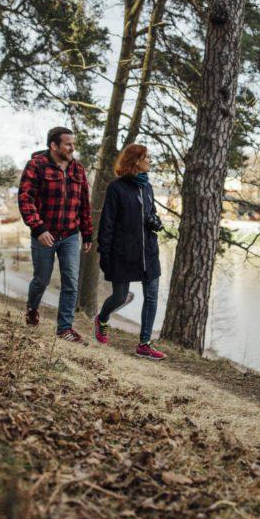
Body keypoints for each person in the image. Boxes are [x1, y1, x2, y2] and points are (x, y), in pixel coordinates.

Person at [18, 126, 93, 341]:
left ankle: (64, 329)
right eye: (68, 144)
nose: (72, 148)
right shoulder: (36, 166)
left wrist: (87, 233)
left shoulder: (78, 169)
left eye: (73, 144)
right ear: (54, 145)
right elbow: (25, 198)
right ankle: (32, 309)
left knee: (71, 281)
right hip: (44, 234)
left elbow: (84, 204)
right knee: (41, 279)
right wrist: (38, 228)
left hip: (70, 234)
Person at [94, 143, 166, 360]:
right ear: (135, 161)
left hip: (149, 252)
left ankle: (144, 344)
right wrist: (104, 253)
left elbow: (150, 213)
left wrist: (155, 222)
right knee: (120, 296)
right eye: (147, 157)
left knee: (151, 296)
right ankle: (102, 319)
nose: (150, 161)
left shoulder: (148, 187)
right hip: (124, 252)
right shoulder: (116, 188)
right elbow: (107, 224)